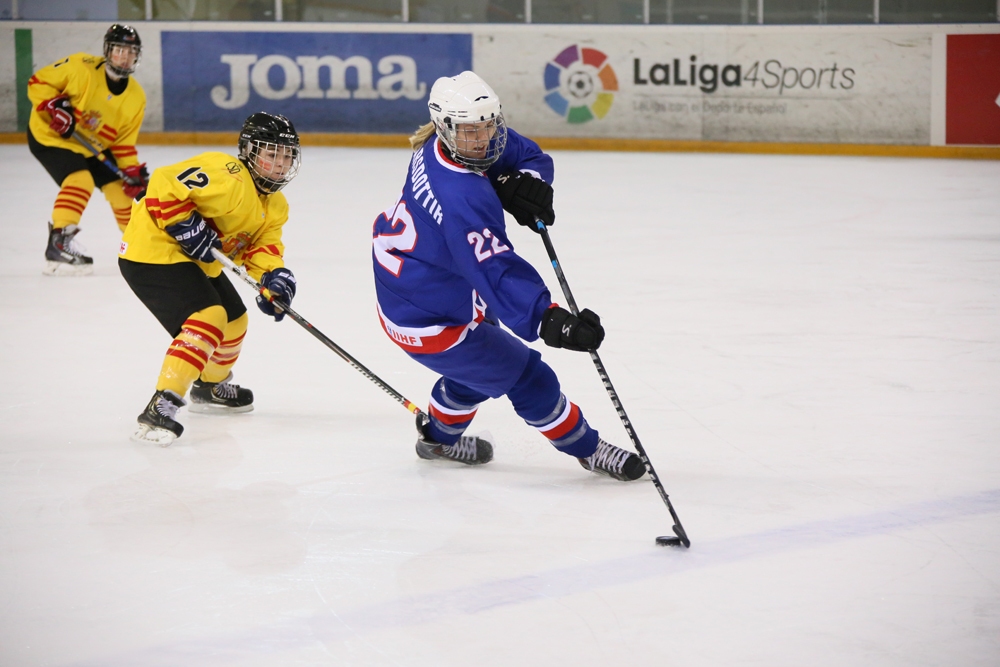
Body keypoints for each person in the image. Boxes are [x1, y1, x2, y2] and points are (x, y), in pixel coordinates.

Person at [372, 71, 645, 481]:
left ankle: (438, 439)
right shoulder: (461, 196)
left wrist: (525, 184)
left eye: (489, 125)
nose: (482, 139)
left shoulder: (445, 143)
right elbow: (496, 270)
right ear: (446, 127)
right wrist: (550, 320)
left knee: (479, 373)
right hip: (429, 318)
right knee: (530, 378)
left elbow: (526, 156)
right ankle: (589, 450)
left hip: (424, 287)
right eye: (470, 131)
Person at [118, 112, 301, 446]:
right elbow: (163, 182)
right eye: (271, 153)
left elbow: (262, 247)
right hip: (153, 250)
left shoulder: (276, 205)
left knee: (234, 321)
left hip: (194, 262)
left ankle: (208, 386)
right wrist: (184, 223)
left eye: (287, 155)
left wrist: (274, 277)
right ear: (249, 151)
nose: (280, 163)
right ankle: (162, 404)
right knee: (210, 317)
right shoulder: (226, 173)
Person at [27, 23, 149, 276]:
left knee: (121, 192)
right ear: (107, 50)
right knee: (79, 180)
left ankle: (144, 245)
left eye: (130, 52)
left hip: (92, 147)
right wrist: (52, 105)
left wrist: (131, 172)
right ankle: (58, 243)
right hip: (51, 137)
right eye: (118, 50)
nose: (124, 57)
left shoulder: (136, 97)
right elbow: (37, 83)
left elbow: (123, 144)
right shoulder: (79, 67)